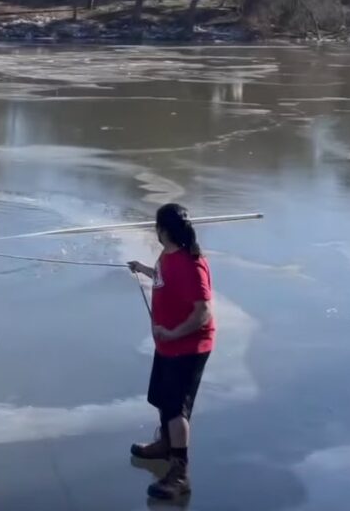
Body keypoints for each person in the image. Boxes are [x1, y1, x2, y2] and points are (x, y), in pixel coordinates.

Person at [127, 203, 215, 502]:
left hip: (188, 346)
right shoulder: (169, 254)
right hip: (168, 344)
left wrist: (174, 333)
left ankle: (180, 473)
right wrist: (143, 269)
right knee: (162, 399)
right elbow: (165, 278)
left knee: (176, 410)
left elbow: (203, 312)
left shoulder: (192, 264)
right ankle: (165, 444)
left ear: (163, 230)